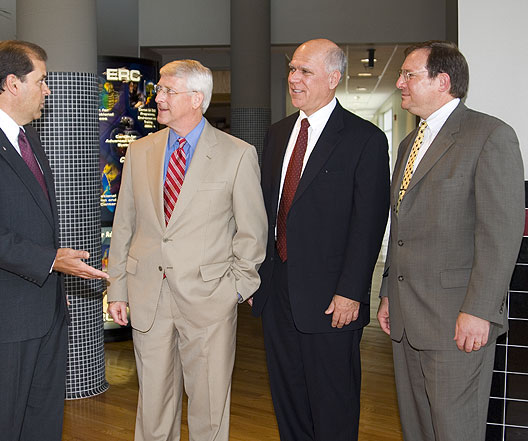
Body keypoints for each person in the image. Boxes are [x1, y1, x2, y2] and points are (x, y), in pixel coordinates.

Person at [0, 40, 108, 441]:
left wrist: (50, 281)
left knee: (42, 423)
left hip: (41, 311)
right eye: (42, 80)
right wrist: (51, 261)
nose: (48, 90)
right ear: (12, 83)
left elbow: (31, 222)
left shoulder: (27, 138)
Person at [107, 59, 267, 441]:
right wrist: (118, 288)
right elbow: (125, 225)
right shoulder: (140, 151)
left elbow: (253, 233)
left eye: (166, 91)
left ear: (197, 99)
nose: (156, 97)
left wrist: (235, 289)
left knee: (209, 409)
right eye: (158, 90)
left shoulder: (237, 154)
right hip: (149, 296)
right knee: (153, 407)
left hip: (210, 301)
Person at [377, 41, 524, 441]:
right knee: (418, 430)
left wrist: (479, 310)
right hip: (407, 320)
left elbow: (501, 234)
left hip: (456, 321)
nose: (399, 82)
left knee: (455, 430)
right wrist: (389, 291)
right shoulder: (409, 144)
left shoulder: (490, 136)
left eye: (409, 75)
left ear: (443, 81)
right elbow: (401, 227)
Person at [251, 38, 390, 441]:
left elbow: (369, 223)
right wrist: (256, 278)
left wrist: (351, 292)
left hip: (333, 301)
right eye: (292, 69)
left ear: (333, 78)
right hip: (277, 294)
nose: (293, 79)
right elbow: (266, 211)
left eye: (304, 71)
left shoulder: (364, 139)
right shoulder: (277, 134)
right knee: (288, 400)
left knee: (333, 403)